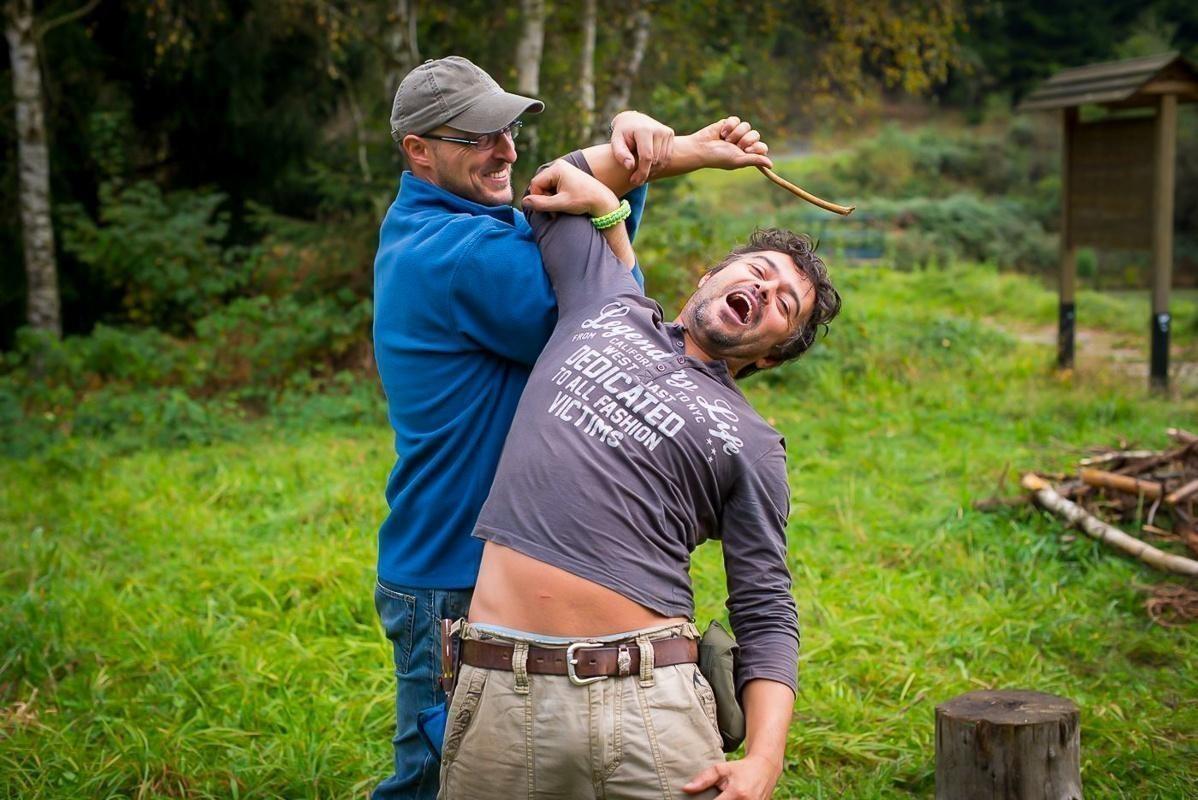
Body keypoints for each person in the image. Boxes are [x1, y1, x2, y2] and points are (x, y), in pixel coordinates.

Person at [373, 54, 766, 800]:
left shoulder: (463, 225)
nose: (506, 151)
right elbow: (600, 320)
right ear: (418, 150)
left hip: (491, 564)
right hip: (454, 573)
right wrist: (624, 193)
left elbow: (557, 204)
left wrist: (669, 150)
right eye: (478, 138)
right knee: (434, 782)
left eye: (509, 131)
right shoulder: (454, 253)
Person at [436, 142, 841, 799]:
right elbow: (556, 181)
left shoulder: (754, 442)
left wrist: (765, 759)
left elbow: (765, 607)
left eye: (784, 306)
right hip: (504, 692)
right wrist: (662, 166)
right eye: (758, 272)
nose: (766, 291)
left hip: (653, 702)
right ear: (711, 275)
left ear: (771, 354)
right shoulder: (606, 302)